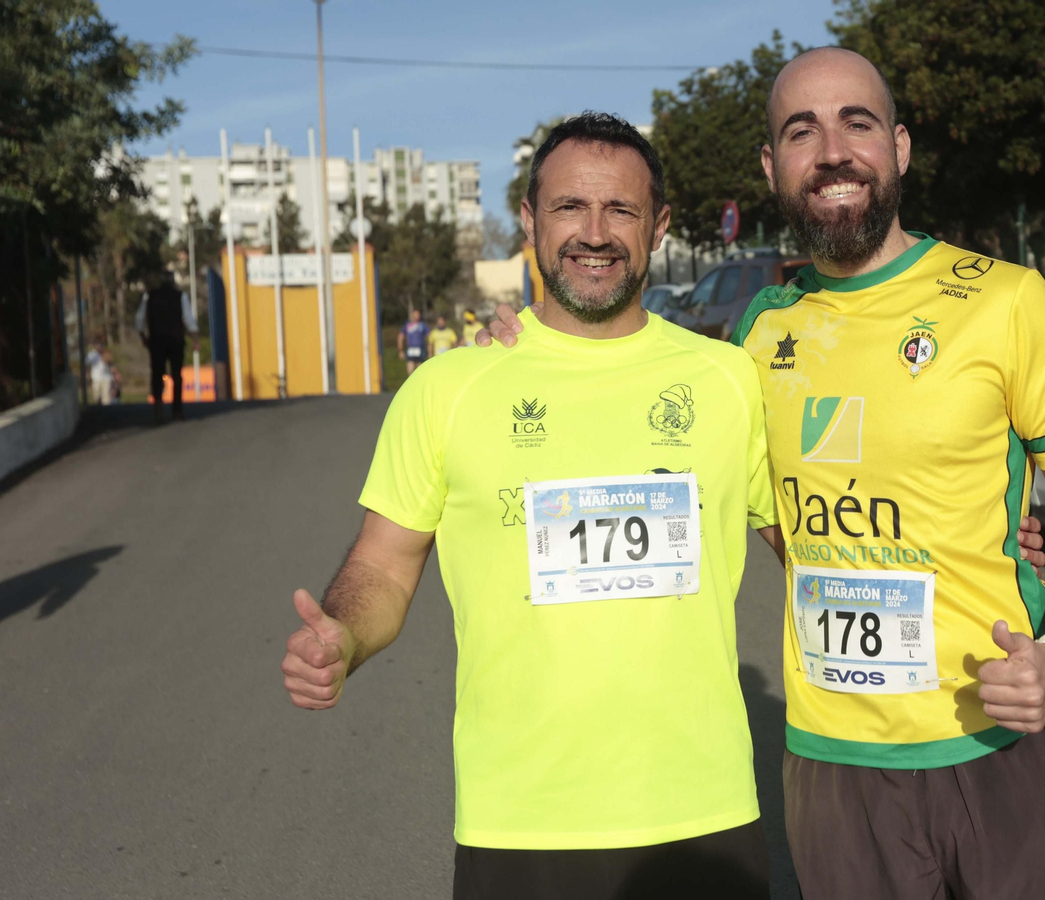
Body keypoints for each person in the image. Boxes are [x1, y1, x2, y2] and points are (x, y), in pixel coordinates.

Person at [480, 47, 1045, 900]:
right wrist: (528, 348)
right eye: (801, 131)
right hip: (834, 772)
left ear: (898, 147)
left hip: (1004, 738)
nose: (831, 150)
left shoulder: (1004, 299)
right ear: (771, 167)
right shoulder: (757, 332)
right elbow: (706, 456)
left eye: (856, 122)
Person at [278, 113, 783, 900]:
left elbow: (814, 544)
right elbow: (383, 562)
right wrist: (342, 636)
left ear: (658, 225)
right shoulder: (449, 389)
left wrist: (997, 544)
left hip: (704, 813)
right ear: (529, 221)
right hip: (520, 823)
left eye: (620, 210)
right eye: (569, 208)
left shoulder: (729, 381)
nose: (595, 232)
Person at [134, 270, 197, 422]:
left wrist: (143, 336)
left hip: (157, 340)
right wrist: (195, 338)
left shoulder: (149, 296)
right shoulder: (180, 296)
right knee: (177, 375)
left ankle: (158, 410)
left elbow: (139, 318)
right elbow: (188, 319)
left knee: (157, 374)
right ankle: (177, 411)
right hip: (176, 340)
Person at [398, 309, 430, 373]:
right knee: (410, 366)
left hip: (420, 348)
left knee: (420, 368)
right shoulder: (407, 325)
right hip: (411, 348)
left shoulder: (423, 325)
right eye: (415, 314)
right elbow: (400, 337)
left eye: (418, 314)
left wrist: (430, 350)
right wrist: (400, 350)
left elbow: (429, 337)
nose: (417, 316)